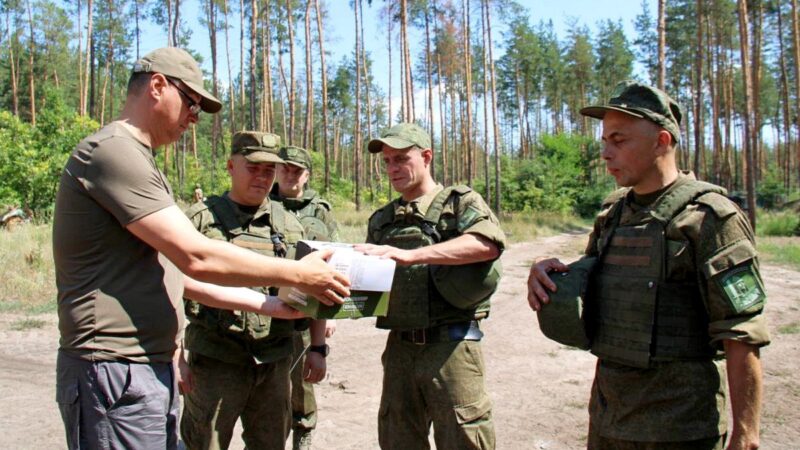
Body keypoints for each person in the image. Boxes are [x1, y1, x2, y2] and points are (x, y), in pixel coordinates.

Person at [52, 47, 349, 450]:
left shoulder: (140, 158)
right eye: (191, 103)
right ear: (157, 86)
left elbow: (176, 274)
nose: (194, 117)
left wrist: (270, 307)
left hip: (138, 368)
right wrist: (299, 274)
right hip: (115, 367)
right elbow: (197, 256)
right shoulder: (114, 151)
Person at [527, 81, 770, 450]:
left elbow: (741, 331)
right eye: (604, 140)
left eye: (619, 140)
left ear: (662, 140)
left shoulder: (710, 218)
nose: (606, 153)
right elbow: (605, 281)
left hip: (680, 429)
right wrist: (551, 271)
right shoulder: (613, 214)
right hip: (609, 419)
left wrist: (746, 434)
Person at [355, 122, 506, 450]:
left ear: (426, 157)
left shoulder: (459, 203)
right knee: (397, 436)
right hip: (400, 348)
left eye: (401, 159)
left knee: (464, 437)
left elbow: (487, 244)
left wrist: (413, 256)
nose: (393, 169)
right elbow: (368, 291)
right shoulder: (382, 219)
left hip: (451, 346)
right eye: (387, 162)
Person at [179, 132, 330, 450]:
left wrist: (317, 348)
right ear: (231, 166)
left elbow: (314, 287)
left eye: (269, 170)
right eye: (253, 167)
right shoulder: (200, 221)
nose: (262, 177)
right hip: (215, 361)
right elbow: (168, 287)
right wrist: (174, 354)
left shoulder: (289, 226)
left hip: (273, 363)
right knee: (204, 443)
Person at [270, 145, 340, 450]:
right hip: (267, 306)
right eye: (284, 168)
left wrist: (329, 319)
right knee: (267, 386)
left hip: (304, 308)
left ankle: (304, 431)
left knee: (302, 383)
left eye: (296, 170)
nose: (289, 175)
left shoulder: (319, 210)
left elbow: (336, 261)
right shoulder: (263, 200)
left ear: (306, 175)